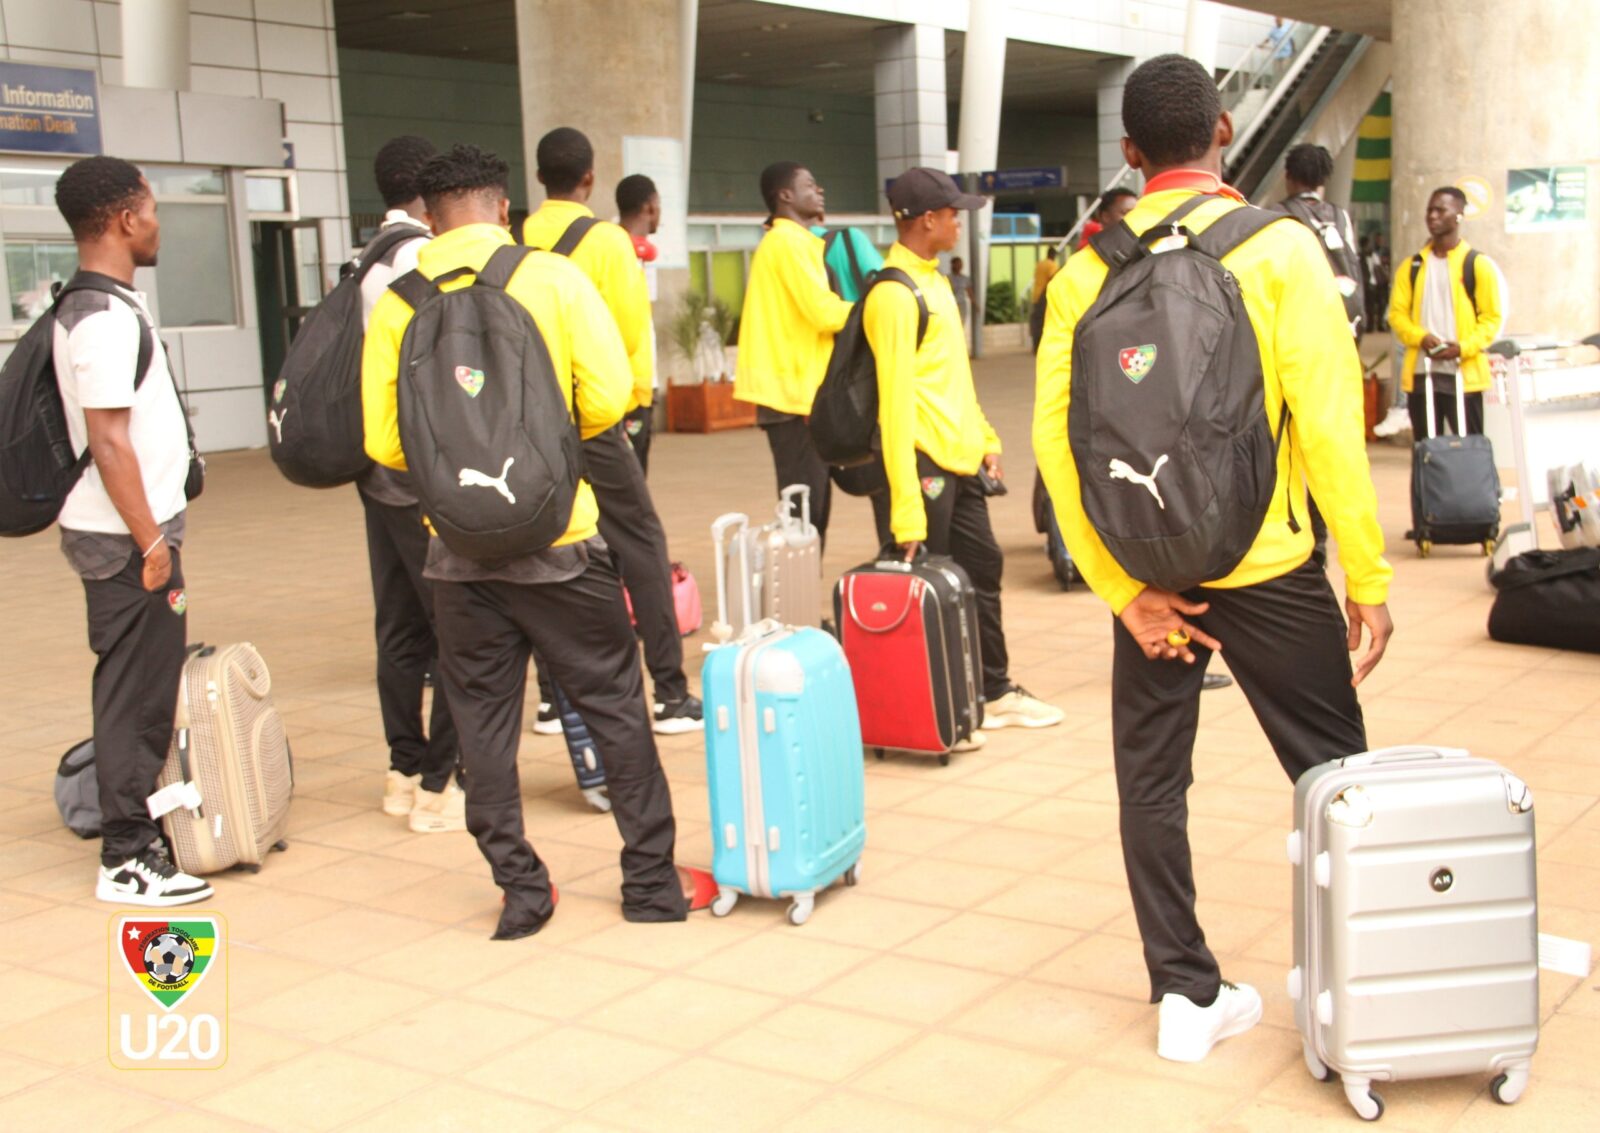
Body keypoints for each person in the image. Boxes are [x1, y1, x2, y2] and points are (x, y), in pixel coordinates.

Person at [1035, 54, 1393, 1063]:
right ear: (1224, 131)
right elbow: (1329, 428)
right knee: (1334, 774)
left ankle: (1185, 995)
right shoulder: (1278, 249)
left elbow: (1058, 449)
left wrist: (1123, 591)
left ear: (1129, 151)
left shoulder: (1086, 271)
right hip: (1269, 565)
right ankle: (1373, 978)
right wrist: (1367, 578)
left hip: (1156, 577)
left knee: (1152, 780)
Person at [362, 144, 716, 940]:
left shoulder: (398, 303)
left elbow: (383, 443)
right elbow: (608, 399)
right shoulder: (551, 279)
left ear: (430, 217)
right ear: (501, 206)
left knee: (482, 724)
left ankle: (522, 891)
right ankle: (650, 883)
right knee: (615, 708)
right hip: (562, 541)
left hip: (456, 554)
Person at [52, 156, 210, 906]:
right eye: (150, 209)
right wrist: (151, 544)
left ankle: (136, 833)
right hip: (125, 541)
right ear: (123, 219)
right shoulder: (102, 319)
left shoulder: (104, 304)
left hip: (134, 532)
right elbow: (109, 442)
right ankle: (126, 857)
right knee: (134, 693)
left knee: (145, 684)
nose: (156, 223)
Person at [870, 167, 1066, 736]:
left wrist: (985, 440)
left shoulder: (934, 284)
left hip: (960, 461)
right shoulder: (893, 295)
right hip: (922, 464)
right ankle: (933, 706)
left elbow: (953, 380)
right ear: (927, 219)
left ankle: (993, 691)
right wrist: (906, 511)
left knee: (983, 568)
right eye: (954, 213)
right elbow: (893, 408)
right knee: (928, 588)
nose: (960, 222)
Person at [522, 129, 701, 734]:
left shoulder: (517, 238)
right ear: (590, 179)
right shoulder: (607, 242)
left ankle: (553, 700)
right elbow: (627, 335)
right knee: (640, 542)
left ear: (539, 178)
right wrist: (630, 407)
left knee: (545, 544)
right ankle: (670, 695)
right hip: (596, 419)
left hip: (533, 422)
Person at [355, 135, 465, 835]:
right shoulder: (421, 260)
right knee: (455, 626)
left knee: (398, 628)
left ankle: (402, 769)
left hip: (375, 472)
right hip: (417, 470)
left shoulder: (366, 256)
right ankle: (440, 784)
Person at [734, 162, 855, 544]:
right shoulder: (787, 242)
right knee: (804, 513)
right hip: (793, 398)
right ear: (785, 195)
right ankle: (794, 583)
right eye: (810, 185)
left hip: (801, 395)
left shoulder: (793, 242)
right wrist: (876, 310)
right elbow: (822, 312)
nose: (819, 191)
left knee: (810, 512)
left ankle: (802, 580)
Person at [1278, 141, 1364, 567]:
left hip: (1299, 345)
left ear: (1288, 177)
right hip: (1342, 344)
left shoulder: (1279, 218)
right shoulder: (1342, 218)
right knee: (1329, 448)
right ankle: (1327, 540)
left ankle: (1305, 542)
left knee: (1292, 445)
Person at [1388, 187, 1504, 439]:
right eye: (1430, 210)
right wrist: (1421, 337)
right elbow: (1397, 315)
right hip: (1422, 373)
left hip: (1464, 374)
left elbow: (1492, 318)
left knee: (1469, 448)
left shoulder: (1477, 264)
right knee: (1426, 449)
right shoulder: (1411, 267)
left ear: (1459, 215)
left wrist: (1462, 347)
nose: (1432, 216)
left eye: (1441, 210)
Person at [615, 172, 661, 472]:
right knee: (629, 475)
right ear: (650, 207)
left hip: (642, 385)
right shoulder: (617, 252)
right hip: (627, 389)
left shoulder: (638, 255)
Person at [814, 224, 885, 303]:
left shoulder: (803, 248)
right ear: (821, 218)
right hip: (857, 309)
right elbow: (886, 286)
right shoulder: (850, 237)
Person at [946, 255, 975, 354]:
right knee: (951, 326)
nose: (959, 266)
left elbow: (969, 292)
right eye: (957, 264)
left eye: (961, 264)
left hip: (962, 305)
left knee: (960, 326)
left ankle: (958, 348)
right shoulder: (947, 278)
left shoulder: (965, 278)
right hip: (950, 305)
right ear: (952, 264)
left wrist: (975, 303)